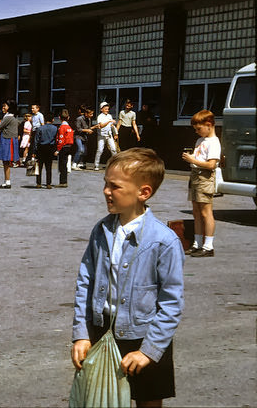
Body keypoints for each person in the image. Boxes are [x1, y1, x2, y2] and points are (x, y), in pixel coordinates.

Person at [71, 148, 184, 407]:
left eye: (115, 186)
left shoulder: (163, 241)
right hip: (102, 330)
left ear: (143, 192)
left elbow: (171, 303)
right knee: (98, 399)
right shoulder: (101, 230)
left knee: (148, 401)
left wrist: (149, 351)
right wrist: (81, 333)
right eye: (105, 184)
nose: (106, 191)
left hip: (145, 335)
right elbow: (85, 283)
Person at [181, 109, 220, 257]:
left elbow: (211, 165)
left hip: (205, 177)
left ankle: (208, 246)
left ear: (209, 125)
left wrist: (193, 160)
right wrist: (192, 158)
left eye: (199, 129)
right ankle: (197, 243)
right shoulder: (200, 140)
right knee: (196, 212)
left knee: (206, 212)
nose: (197, 132)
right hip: (195, 176)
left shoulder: (214, 143)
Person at [0, 99, 20, 188]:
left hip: (7, 140)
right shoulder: (12, 117)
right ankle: (7, 181)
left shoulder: (8, 117)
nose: (3, 108)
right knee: (6, 162)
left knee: (6, 162)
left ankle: (7, 181)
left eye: (5, 106)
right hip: (10, 139)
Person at [33, 112, 57, 189]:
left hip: (41, 148)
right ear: (53, 120)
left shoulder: (40, 128)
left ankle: (38, 183)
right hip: (50, 148)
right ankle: (48, 183)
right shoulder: (55, 128)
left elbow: (36, 140)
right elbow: (56, 140)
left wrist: (34, 151)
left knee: (39, 166)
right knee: (49, 167)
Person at [92, 101, 118, 170]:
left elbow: (112, 126)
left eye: (108, 109)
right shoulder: (100, 117)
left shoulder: (109, 116)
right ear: (101, 109)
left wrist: (115, 133)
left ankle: (115, 165)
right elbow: (101, 125)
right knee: (100, 150)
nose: (107, 110)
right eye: (106, 109)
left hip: (109, 135)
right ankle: (96, 165)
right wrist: (109, 121)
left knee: (113, 149)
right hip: (101, 135)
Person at [54, 109, 74, 188]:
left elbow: (61, 139)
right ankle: (64, 181)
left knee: (62, 165)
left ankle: (63, 181)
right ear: (68, 118)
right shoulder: (69, 127)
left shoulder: (62, 127)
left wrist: (58, 149)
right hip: (69, 146)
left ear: (59, 118)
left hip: (63, 146)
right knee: (65, 164)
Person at [72, 105, 94, 170]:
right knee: (80, 149)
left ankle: (79, 163)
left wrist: (95, 127)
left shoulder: (89, 119)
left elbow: (88, 128)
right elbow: (78, 129)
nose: (92, 115)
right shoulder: (79, 119)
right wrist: (87, 130)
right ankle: (74, 163)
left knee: (84, 151)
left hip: (84, 137)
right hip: (78, 136)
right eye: (91, 114)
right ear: (86, 114)